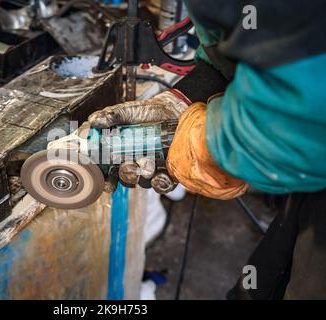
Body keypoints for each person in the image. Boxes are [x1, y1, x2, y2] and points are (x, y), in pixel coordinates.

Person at [88, 0, 326, 299]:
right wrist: (191, 95)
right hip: (310, 188)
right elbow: (252, 42)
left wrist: (208, 146)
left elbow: (306, 111)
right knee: (263, 283)